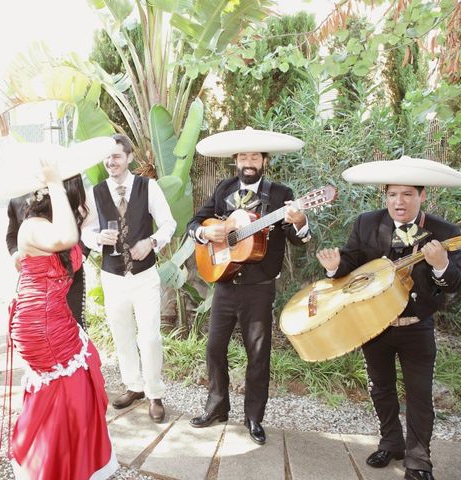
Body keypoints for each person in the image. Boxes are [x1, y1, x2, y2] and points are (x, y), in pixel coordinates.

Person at [316, 156, 461, 480]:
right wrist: (332, 266)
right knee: (380, 388)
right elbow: (351, 265)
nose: (399, 201)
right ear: (385, 195)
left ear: (422, 195)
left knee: (420, 394)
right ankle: (391, 443)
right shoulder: (367, 223)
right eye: (393, 194)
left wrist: (440, 265)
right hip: (374, 325)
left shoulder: (445, 232)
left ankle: (419, 462)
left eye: (408, 194)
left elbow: (454, 282)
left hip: (416, 326)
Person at [187, 127, 309, 445]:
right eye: (243, 156)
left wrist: (299, 222)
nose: (249, 160)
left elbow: (298, 241)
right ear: (236, 160)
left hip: (259, 287)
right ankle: (217, 408)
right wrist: (207, 233)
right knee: (214, 348)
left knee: (258, 354)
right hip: (225, 283)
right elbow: (194, 223)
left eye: (255, 155)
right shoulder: (223, 188)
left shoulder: (280, 195)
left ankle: (254, 417)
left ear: (264, 160)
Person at [7, 147, 118, 479]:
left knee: (72, 383)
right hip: (41, 323)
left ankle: (64, 460)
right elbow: (68, 237)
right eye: (78, 197)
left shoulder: (52, 222)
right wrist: (55, 181)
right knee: (71, 386)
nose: (82, 205)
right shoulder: (32, 226)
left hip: (53, 315)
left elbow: (77, 236)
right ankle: (55, 464)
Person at [81, 133, 176, 423]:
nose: (111, 162)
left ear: (129, 158)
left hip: (145, 275)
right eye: (108, 157)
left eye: (117, 156)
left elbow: (169, 223)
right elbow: (85, 231)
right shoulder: (96, 192)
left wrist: (152, 242)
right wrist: (98, 238)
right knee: (122, 334)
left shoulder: (149, 187)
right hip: (112, 276)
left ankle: (155, 393)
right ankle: (133, 385)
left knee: (149, 337)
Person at [6, 177, 88, 328]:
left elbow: (86, 231)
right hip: (43, 309)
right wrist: (17, 254)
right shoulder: (30, 218)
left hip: (70, 282)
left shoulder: (72, 208)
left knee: (77, 324)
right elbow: (12, 235)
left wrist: (81, 254)